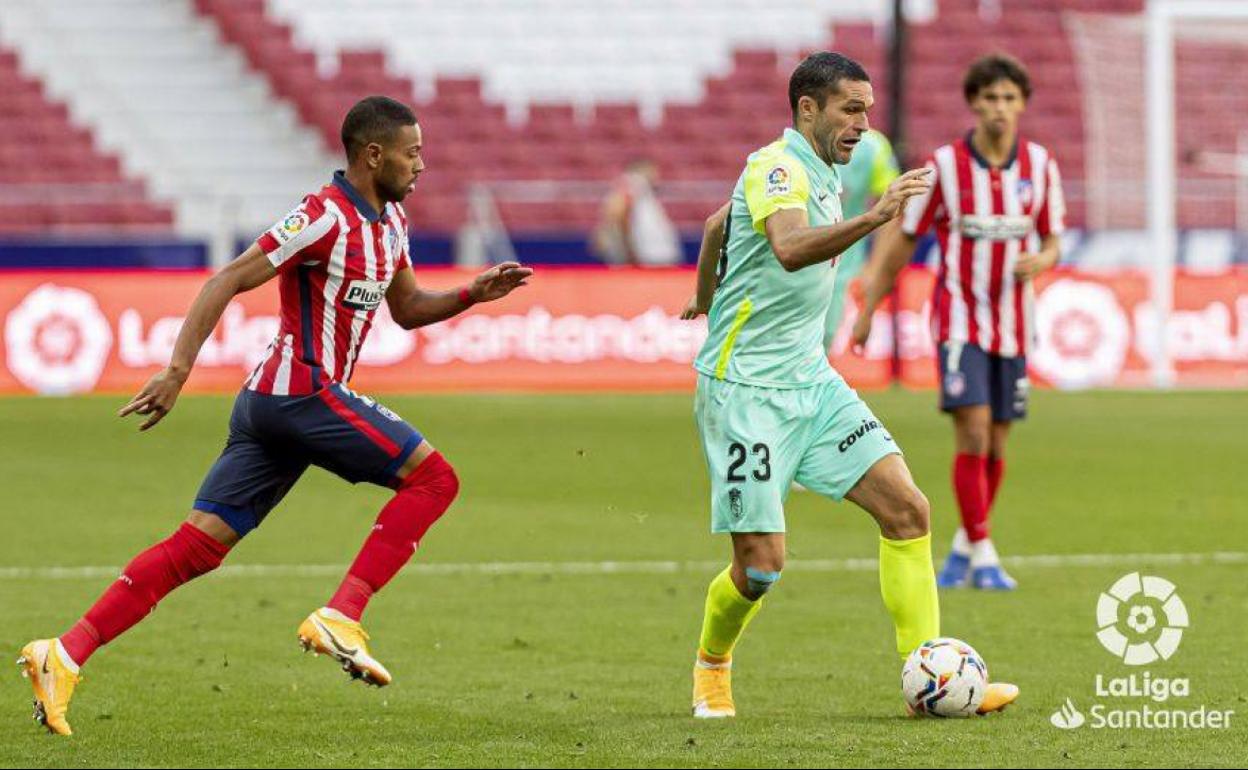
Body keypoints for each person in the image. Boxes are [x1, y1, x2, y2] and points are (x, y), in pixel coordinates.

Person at [18, 95, 533, 736]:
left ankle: (63, 654)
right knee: (435, 479)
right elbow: (226, 279)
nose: (422, 165)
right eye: (413, 153)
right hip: (301, 393)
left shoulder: (392, 222)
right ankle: (342, 614)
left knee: (198, 547)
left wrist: (470, 294)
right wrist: (177, 370)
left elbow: (406, 309)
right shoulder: (321, 216)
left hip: (276, 407)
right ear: (374, 155)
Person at [679, 52, 1018, 719]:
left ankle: (931, 679)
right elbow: (788, 247)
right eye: (851, 109)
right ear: (808, 108)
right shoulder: (776, 167)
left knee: (908, 511)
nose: (863, 123)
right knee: (761, 567)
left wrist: (703, 295)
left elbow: (719, 224)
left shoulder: (823, 166)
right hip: (745, 393)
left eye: (867, 109)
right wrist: (875, 217)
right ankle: (712, 666)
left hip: (812, 380)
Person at [854, 54, 1065, 591]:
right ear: (973, 103)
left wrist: (1042, 260)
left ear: (1022, 104)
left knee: (996, 442)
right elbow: (905, 238)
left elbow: (1052, 239)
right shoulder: (945, 167)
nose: (999, 108)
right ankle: (985, 553)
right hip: (960, 319)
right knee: (972, 429)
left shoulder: (1040, 165)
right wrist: (871, 304)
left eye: (1009, 98)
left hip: (1014, 323)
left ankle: (965, 545)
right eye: (989, 97)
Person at [824, 129, 900, 352]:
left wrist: (874, 267)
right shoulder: (794, 148)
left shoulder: (872, 146)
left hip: (844, 270)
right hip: (799, 270)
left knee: (827, 340)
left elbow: (893, 207)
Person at [592, 158, 682, 266]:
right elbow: (618, 214)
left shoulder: (643, 192)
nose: (657, 177)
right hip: (648, 257)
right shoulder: (635, 183)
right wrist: (629, 252)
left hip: (653, 257)